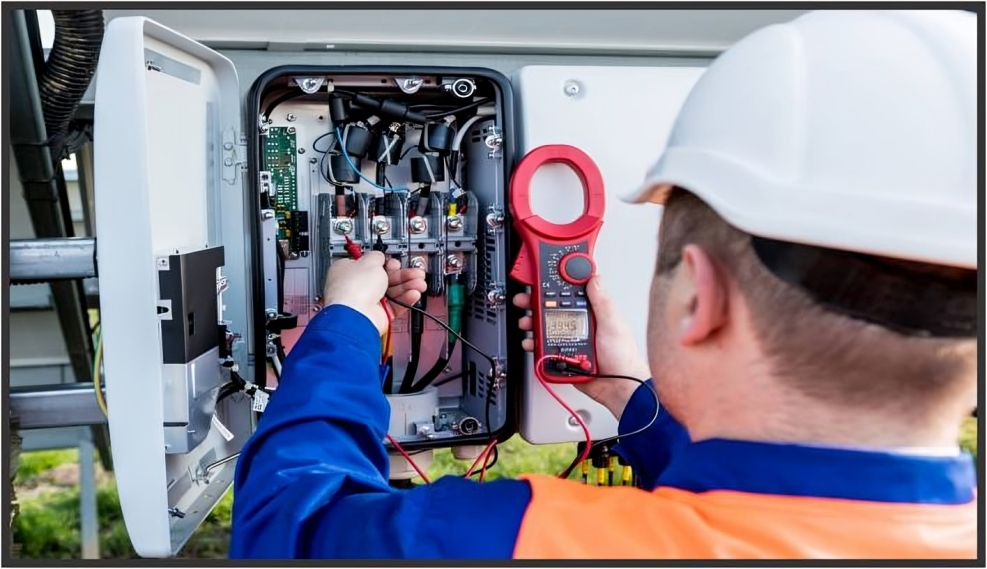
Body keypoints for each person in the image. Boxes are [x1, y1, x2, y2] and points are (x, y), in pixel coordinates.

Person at [230, 9, 977, 559]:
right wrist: (624, 391)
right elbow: (775, 497)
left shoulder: (515, 539)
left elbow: (288, 527)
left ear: (699, 297)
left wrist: (348, 323)